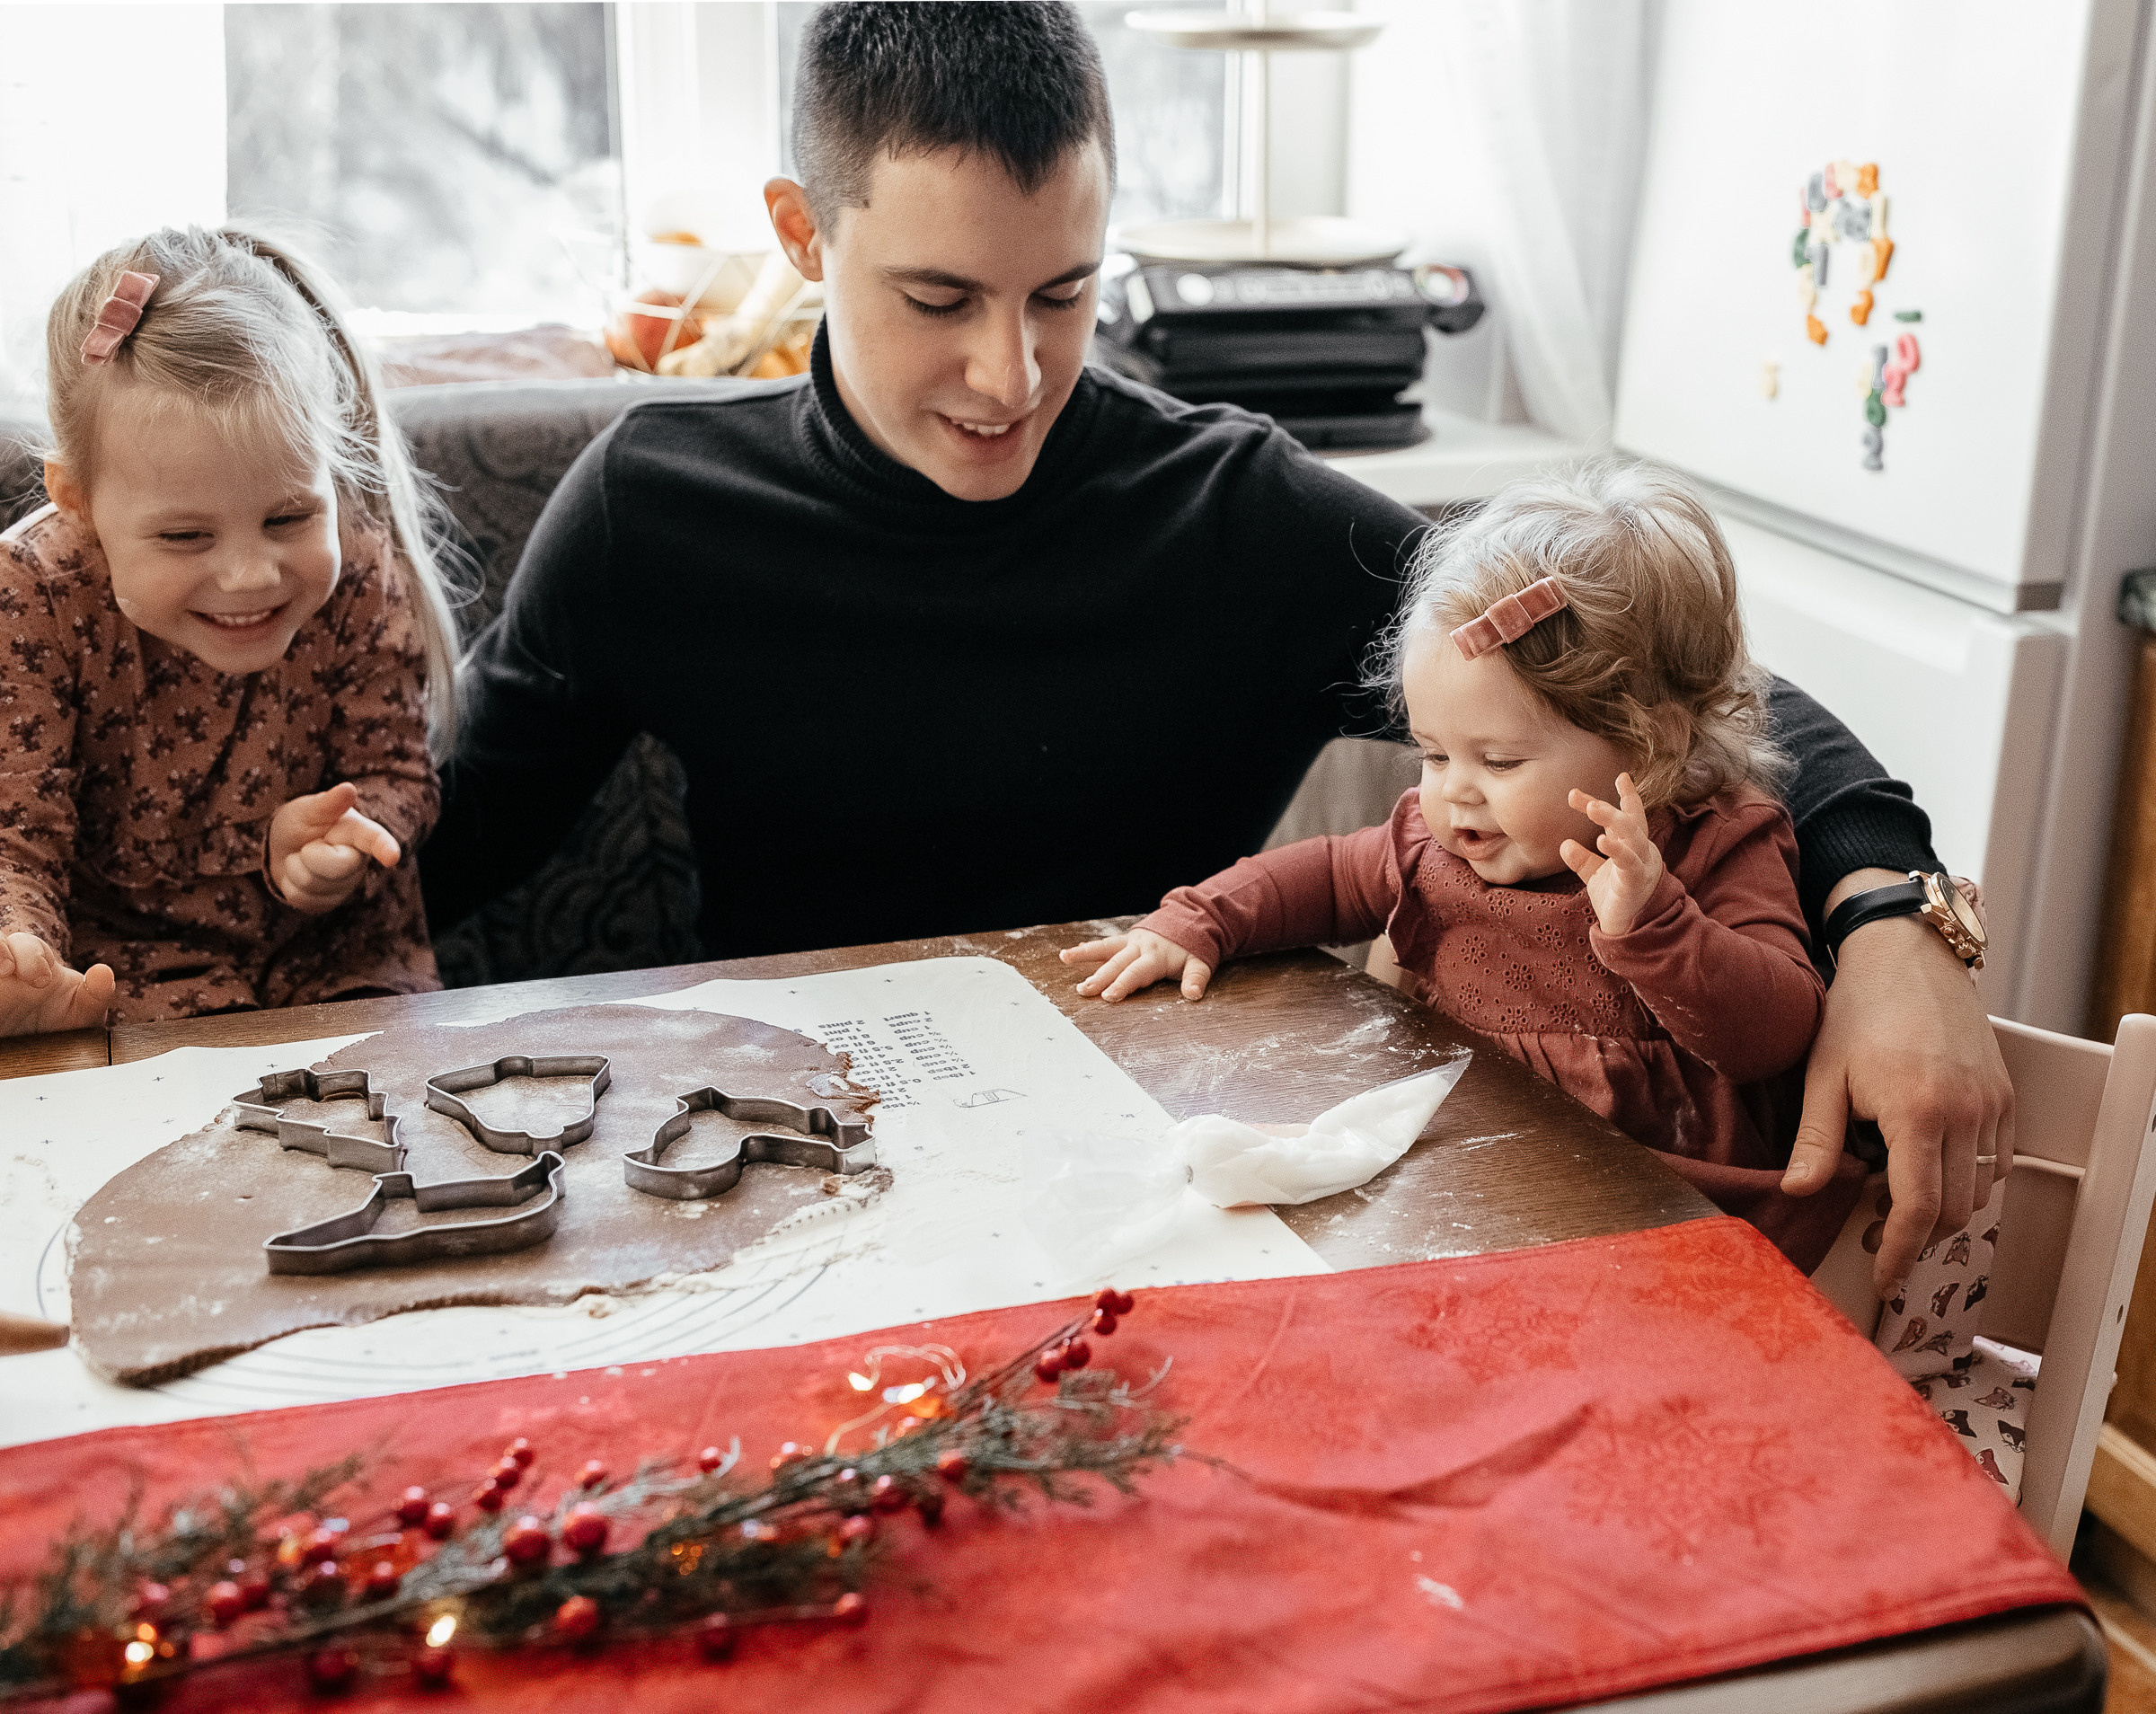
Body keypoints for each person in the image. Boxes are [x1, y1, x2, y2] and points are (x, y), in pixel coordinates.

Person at [424, 1, 2009, 1296]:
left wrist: (1888, 919)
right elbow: (451, 842)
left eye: (1065, 291)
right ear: (798, 233)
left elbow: (1682, 686)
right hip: (773, 1164)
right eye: (938, 297)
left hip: (1157, 1185)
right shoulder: (653, 506)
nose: (1012, 372)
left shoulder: (1231, 512)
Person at [1062, 464, 1857, 1263]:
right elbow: (1328, 875)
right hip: (1470, 1184)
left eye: (1499, 762)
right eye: (1435, 754)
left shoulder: (1717, 846)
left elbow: (1776, 1035)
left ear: (1651, 746)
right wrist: (1201, 920)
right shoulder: (1435, 842)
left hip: (1661, 1216)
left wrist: (1658, 927)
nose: (1454, 795)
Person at [0, 225, 457, 1032]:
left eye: (288, 516)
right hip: (126, 988)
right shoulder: (31, 589)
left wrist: (346, 842)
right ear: (78, 500)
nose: (252, 574)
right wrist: (21, 953)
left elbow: (398, 771)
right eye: (186, 537)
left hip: (343, 973)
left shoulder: (357, 561)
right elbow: (15, 834)